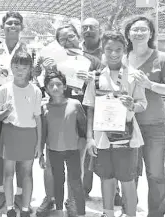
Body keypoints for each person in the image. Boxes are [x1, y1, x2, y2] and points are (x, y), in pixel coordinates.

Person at [36, 23, 102, 217]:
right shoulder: (54, 62)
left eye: (71, 36)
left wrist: (93, 79)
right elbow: (40, 84)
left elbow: (108, 83)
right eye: (63, 39)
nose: (68, 40)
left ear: (78, 36)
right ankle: (50, 198)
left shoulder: (92, 61)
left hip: (79, 115)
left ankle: (72, 200)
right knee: (51, 163)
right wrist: (40, 68)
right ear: (58, 42)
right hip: (56, 114)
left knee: (77, 163)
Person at [84, 31, 147, 217]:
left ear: (125, 50)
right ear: (102, 50)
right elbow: (90, 109)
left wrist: (132, 105)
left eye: (118, 49)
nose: (113, 53)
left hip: (126, 138)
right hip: (102, 137)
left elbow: (142, 104)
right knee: (106, 178)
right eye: (109, 49)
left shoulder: (134, 76)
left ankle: (131, 214)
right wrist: (89, 138)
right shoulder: (95, 77)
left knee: (128, 179)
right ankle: (108, 213)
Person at [124, 16, 165, 217]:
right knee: (129, 174)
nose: (139, 33)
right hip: (127, 124)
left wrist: (150, 85)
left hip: (154, 125)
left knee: (156, 174)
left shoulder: (161, 58)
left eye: (144, 29)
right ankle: (130, 211)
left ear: (151, 33)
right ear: (128, 34)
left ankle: (156, 214)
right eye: (135, 29)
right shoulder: (122, 57)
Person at [0, 11, 27, 211]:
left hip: (22, 108)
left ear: (21, 27)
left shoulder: (29, 50)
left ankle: (19, 193)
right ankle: (0, 190)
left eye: (16, 23)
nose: (12, 26)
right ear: (3, 27)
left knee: (20, 152)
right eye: (9, 23)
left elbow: (34, 79)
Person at [0, 43, 42, 217]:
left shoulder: (36, 90)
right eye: (16, 66)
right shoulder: (3, 89)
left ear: (30, 69)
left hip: (29, 135)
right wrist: (4, 112)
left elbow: (38, 118)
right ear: (11, 67)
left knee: (27, 173)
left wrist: (39, 143)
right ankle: (9, 208)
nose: (20, 70)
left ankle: (24, 208)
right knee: (8, 173)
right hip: (9, 134)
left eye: (24, 67)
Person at [41, 70, 86, 217]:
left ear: (65, 86)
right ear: (46, 89)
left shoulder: (75, 104)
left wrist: (85, 143)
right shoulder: (44, 108)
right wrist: (41, 152)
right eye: (51, 85)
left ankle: (80, 213)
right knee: (58, 182)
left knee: (76, 182)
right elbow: (43, 133)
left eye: (58, 84)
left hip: (73, 150)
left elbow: (84, 127)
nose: (55, 88)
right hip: (54, 151)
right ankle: (59, 211)